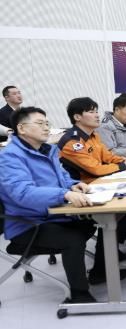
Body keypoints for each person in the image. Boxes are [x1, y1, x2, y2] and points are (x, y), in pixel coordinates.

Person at [0, 107, 97, 303]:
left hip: (52, 214)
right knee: (72, 239)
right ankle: (79, 296)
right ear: (22, 128)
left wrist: (73, 185)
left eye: (47, 123)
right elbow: (22, 193)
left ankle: (101, 272)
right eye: (39, 123)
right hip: (27, 224)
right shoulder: (10, 157)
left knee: (93, 223)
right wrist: (64, 194)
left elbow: (62, 177)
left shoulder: (48, 150)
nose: (46, 128)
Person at [58, 97, 126, 284]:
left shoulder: (93, 136)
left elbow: (108, 157)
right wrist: (124, 166)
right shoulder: (72, 141)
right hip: (81, 192)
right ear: (77, 117)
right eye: (91, 111)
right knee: (118, 211)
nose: (97, 115)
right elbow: (95, 169)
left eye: (96, 111)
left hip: (98, 185)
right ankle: (101, 270)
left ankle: (111, 251)